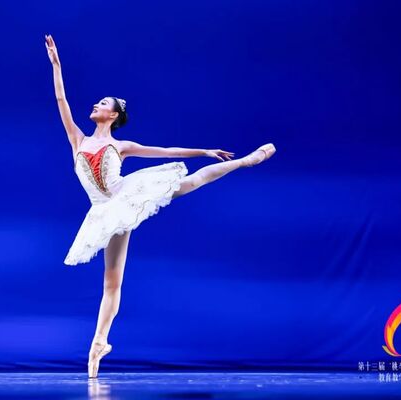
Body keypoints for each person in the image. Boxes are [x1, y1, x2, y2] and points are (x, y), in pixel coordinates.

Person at [45, 34, 276, 378]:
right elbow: (61, 99)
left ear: (113, 114)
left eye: (102, 103)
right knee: (111, 283)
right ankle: (98, 344)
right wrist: (56, 64)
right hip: (104, 211)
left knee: (191, 182)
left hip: (128, 195)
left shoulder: (121, 145)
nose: (95, 105)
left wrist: (204, 151)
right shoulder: (77, 139)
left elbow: (165, 151)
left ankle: (245, 161)